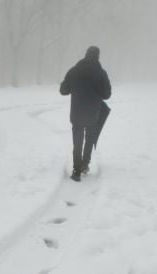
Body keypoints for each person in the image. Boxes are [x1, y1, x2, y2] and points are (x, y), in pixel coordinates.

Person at [59, 46, 112, 181]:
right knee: (89, 139)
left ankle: (76, 170)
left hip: (76, 112)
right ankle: (84, 164)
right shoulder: (101, 73)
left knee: (77, 142)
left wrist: (73, 86)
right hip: (93, 113)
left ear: (86, 54)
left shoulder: (74, 71)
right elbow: (107, 95)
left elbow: (63, 90)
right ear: (97, 56)